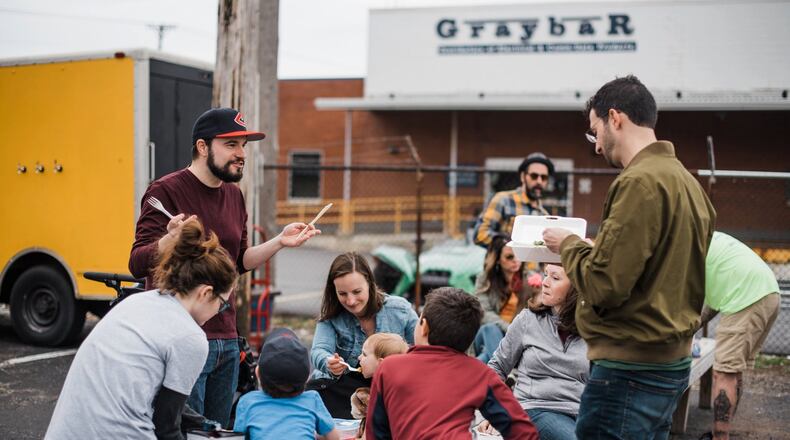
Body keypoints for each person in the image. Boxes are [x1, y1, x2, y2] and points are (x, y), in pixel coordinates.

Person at [543, 75, 716, 439]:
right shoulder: (688, 184)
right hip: (670, 362)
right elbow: (656, 269)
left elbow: (605, 285)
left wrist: (570, 245)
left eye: (595, 131)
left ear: (615, 118)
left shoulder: (638, 182)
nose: (596, 146)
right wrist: (597, 251)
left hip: (629, 369)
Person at [129, 107, 319, 427]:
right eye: (231, 144)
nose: (241, 153)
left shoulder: (234, 194)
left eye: (243, 145)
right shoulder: (166, 191)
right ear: (202, 147)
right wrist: (169, 240)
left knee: (217, 432)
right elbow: (137, 263)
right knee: (184, 432)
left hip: (227, 339)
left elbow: (239, 260)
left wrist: (279, 241)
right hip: (180, 338)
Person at [47, 220, 238, 440]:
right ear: (205, 293)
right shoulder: (191, 337)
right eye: (222, 304)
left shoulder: (137, 302)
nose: (220, 311)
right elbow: (166, 427)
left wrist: (201, 422)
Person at [365, 287, 539, 439]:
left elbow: (376, 433)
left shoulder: (389, 367)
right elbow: (523, 431)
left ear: (424, 326)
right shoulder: (480, 374)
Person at [480, 263, 588, 440]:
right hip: (536, 408)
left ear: (576, 287)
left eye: (555, 277)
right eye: (545, 274)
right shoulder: (527, 319)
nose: (545, 282)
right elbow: (497, 367)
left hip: (582, 414)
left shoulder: (593, 329)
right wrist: (496, 411)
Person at [309, 252, 418, 419]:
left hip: (390, 390)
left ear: (370, 283)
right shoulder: (331, 316)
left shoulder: (400, 310)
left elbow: (421, 350)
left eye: (357, 291)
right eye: (342, 294)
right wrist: (329, 363)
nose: (351, 301)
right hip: (340, 390)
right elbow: (318, 350)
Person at [699, 232, 780, 440]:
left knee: (724, 372)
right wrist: (693, 326)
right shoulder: (708, 237)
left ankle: (720, 437)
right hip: (768, 292)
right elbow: (711, 304)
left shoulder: (685, 243)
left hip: (747, 296)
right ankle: (720, 434)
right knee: (734, 370)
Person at [233, 327, 340, 440]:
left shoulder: (248, 401)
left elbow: (238, 437)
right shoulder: (312, 400)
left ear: (257, 373)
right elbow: (334, 437)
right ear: (307, 377)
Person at [472, 234, 533, 363]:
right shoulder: (485, 280)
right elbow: (484, 313)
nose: (516, 260)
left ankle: (479, 368)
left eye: (518, 255)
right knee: (491, 329)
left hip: (517, 338)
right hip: (490, 333)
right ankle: (504, 368)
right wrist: (509, 328)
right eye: (509, 257)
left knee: (486, 356)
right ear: (498, 259)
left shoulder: (530, 280)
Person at [473, 152, 555, 247]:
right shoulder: (503, 200)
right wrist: (507, 245)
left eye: (544, 177)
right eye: (534, 176)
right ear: (523, 176)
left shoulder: (544, 215)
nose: (539, 181)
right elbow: (480, 235)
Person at [350, 333, 410, 439]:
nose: (359, 357)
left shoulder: (382, 396)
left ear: (382, 363)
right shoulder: (397, 390)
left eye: (364, 354)